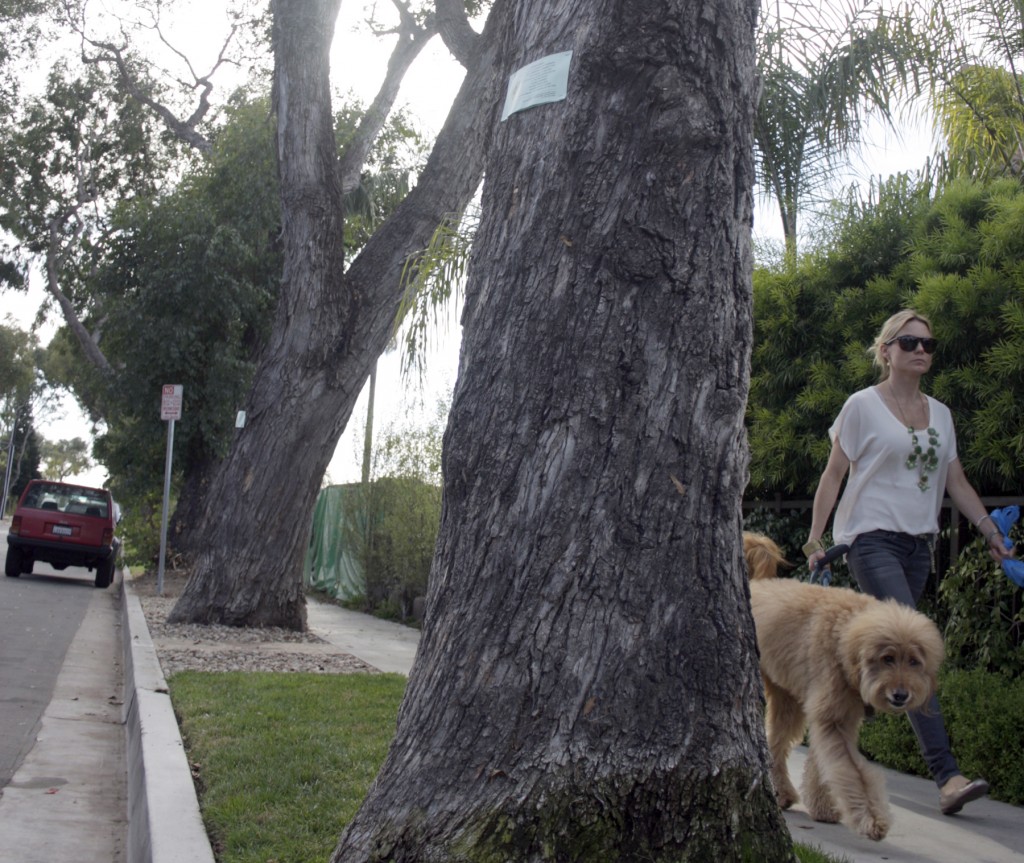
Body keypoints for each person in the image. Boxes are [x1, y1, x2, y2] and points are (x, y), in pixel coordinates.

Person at [803, 308, 1013, 816]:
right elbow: (834, 475)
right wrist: (814, 539)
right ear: (886, 350)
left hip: (919, 546)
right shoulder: (861, 406)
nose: (921, 350)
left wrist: (989, 531)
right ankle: (947, 776)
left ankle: (825, 755)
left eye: (928, 345)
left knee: (880, 666)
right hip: (870, 540)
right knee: (911, 653)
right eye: (909, 342)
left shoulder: (940, 414)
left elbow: (955, 481)